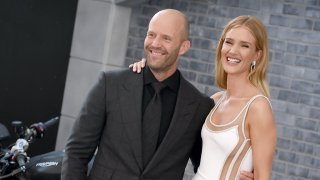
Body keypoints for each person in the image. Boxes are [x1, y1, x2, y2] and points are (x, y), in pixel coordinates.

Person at [61, 9, 214, 180]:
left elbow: (206, 167)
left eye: (166, 38)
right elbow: (76, 152)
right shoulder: (110, 85)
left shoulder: (199, 106)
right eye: (151, 34)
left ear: (184, 47)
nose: (155, 43)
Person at [130, 15, 276, 179]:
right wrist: (147, 72)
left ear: (257, 55)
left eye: (245, 45)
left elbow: (263, 176)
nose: (233, 51)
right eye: (228, 42)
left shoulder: (258, 107)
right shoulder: (215, 101)